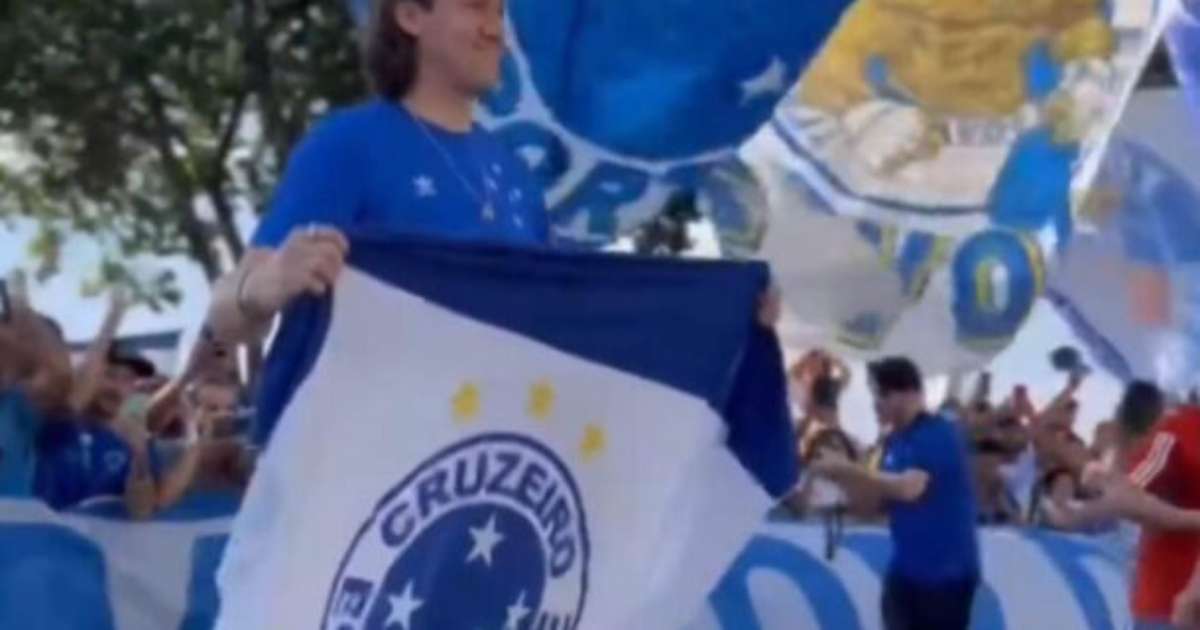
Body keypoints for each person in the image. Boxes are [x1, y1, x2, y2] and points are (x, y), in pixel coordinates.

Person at [205, 0, 779, 443]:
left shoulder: (516, 180)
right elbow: (227, 318)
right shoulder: (346, 146)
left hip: (473, 493)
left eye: (501, 11)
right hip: (347, 490)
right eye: (476, 5)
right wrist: (269, 282)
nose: (496, 29)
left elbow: (578, 315)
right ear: (410, 14)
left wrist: (727, 313)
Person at [811, 356, 979, 630]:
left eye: (882, 394)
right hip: (906, 574)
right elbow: (871, 506)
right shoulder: (891, 444)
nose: (876, 402)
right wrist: (840, 478)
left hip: (946, 578)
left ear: (910, 393)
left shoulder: (938, 434)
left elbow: (909, 488)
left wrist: (848, 469)